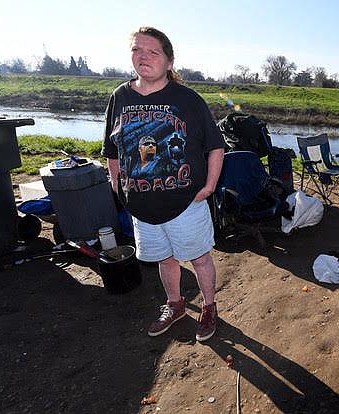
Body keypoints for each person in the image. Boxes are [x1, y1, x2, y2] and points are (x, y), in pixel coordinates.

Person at [102, 26, 225, 341]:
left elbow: (215, 145)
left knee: (198, 257)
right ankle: (176, 304)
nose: (143, 56)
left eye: (152, 51)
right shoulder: (120, 97)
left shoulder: (187, 99)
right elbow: (111, 150)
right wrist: (117, 185)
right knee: (164, 259)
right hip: (141, 207)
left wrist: (209, 186)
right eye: (137, 50)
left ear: (169, 62)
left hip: (186, 203)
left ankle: (209, 307)